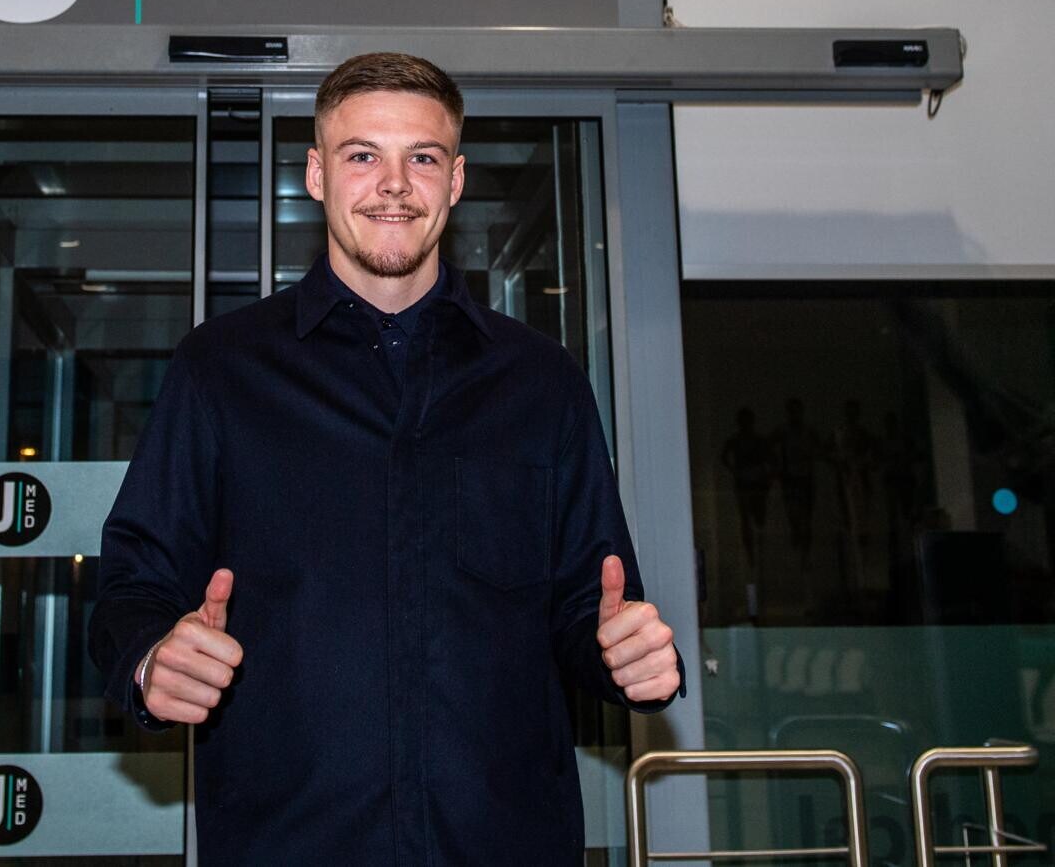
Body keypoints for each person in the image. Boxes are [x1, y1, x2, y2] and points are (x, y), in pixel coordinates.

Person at [89, 52, 683, 864]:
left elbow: (592, 607)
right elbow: (132, 583)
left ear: (456, 180)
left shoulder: (542, 383)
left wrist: (624, 655)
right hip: (287, 846)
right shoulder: (220, 370)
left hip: (506, 845)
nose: (394, 184)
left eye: (423, 158)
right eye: (363, 154)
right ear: (317, 175)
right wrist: (152, 658)